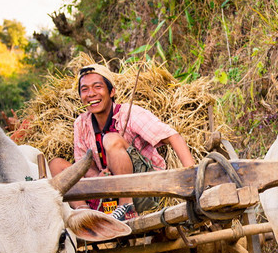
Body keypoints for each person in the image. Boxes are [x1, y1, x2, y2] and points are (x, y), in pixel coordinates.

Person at [49, 63, 196, 221]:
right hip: (106, 191)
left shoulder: (128, 113)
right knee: (55, 165)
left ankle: (126, 207)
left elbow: (172, 136)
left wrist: (193, 176)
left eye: (97, 87)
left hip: (140, 188)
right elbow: (85, 167)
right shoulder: (81, 124)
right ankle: (84, 214)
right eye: (84, 89)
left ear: (111, 91)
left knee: (111, 139)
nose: (91, 94)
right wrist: (99, 175)